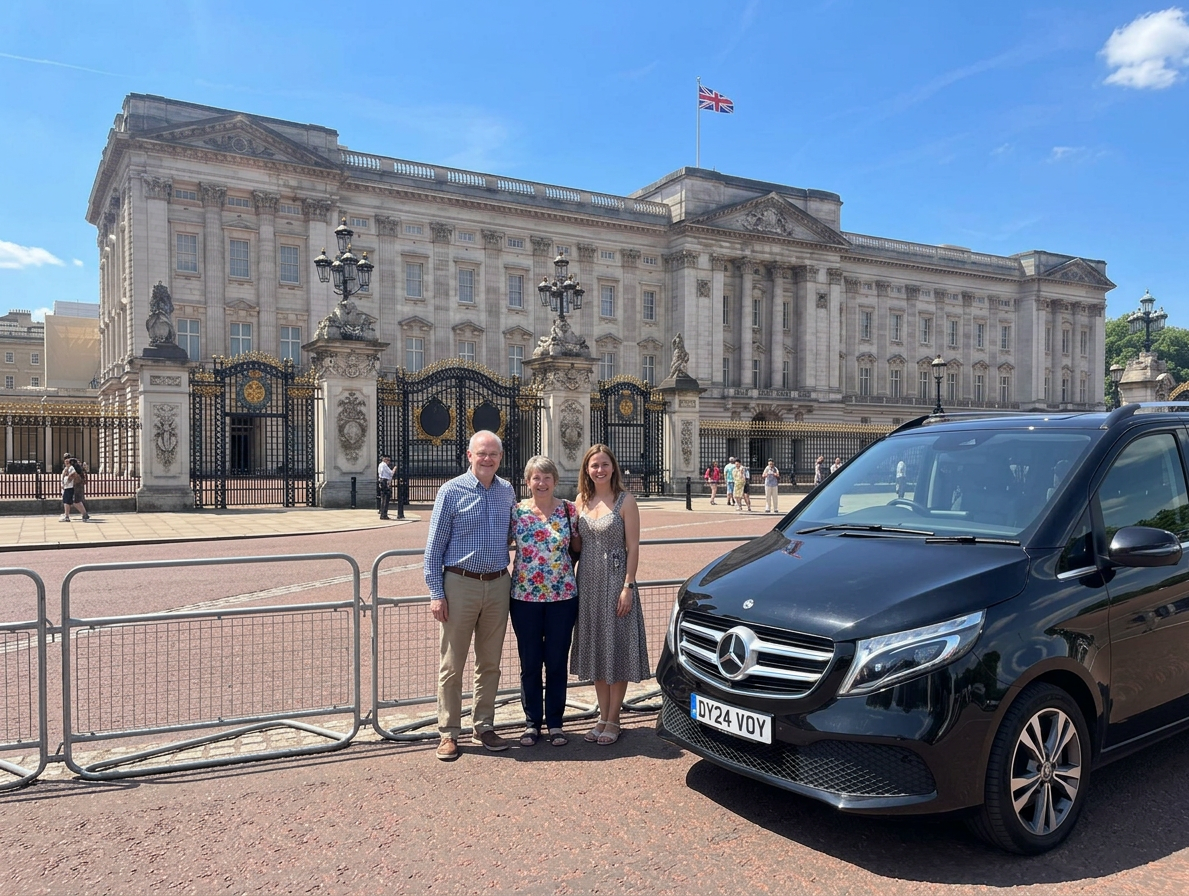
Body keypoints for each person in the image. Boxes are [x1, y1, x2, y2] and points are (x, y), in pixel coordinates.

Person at [423, 430, 516, 761]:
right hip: (459, 583)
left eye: (493, 454)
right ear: (469, 455)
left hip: (497, 582)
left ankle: (484, 724)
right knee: (452, 664)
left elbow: (513, 534)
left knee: (490, 662)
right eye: (481, 453)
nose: (487, 458)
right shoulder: (450, 491)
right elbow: (434, 549)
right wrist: (437, 592)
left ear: (500, 458)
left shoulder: (507, 491)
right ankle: (448, 732)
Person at [571, 444, 648, 746]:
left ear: (613, 467)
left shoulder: (626, 500)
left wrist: (628, 585)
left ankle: (614, 718)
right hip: (587, 582)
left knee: (617, 647)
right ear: (586, 470)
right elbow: (576, 546)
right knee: (597, 648)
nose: (599, 470)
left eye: (604, 464)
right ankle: (602, 716)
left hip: (616, 580)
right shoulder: (581, 500)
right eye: (594, 465)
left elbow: (634, 547)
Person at [510, 455, 579, 748]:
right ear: (528, 483)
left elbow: (577, 548)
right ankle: (531, 722)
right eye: (536, 478)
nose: (542, 483)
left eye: (547, 477)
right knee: (530, 662)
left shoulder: (569, 510)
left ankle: (555, 722)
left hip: (562, 597)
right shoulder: (516, 512)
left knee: (556, 661)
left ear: (555, 481)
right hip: (524, 597)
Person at [69, 456, 91, 521]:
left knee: (76, 501)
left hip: (77, 487)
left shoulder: (74, 469)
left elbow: (73, 476)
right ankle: (84, 514)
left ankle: (85, 514)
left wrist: (68, 478)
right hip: (79, 486)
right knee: (77, 501)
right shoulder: (78, 468)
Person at [377, 454, 394, 519]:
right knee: (386, 499)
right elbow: (391, 473)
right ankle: (384, 514)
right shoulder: (384, 465)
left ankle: (382, 512)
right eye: (388, 460)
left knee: (383, 498)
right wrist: (394, 469)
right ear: (384, 459)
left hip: (381, 481)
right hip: (384, 481)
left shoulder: (380, 465)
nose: (389, 461)